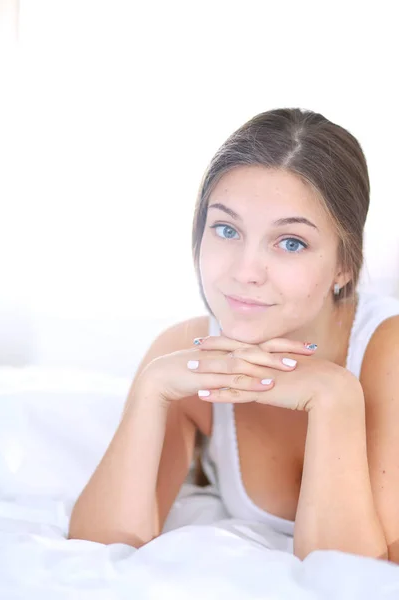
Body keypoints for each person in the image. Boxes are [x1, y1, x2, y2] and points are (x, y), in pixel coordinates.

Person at [68, 108, 399, 563]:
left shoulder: (388, 353)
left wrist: (334, 396)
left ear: (344, 265)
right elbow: (96, 550)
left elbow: (361, 576)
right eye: (226, 230)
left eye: (290, 242)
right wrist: (150, 389)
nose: (245, 272)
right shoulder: (182, 354)